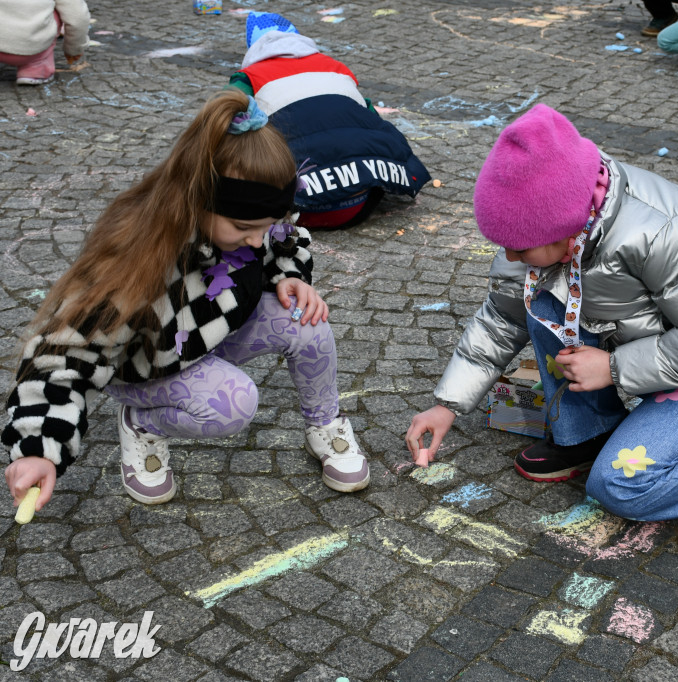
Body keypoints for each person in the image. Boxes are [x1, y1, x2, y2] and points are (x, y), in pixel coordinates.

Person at [405, 104, 678, 525]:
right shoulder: (548, 227)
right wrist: (447, 405)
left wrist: (614, 367)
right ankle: (588, 433)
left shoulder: (670, 234)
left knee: (620, 485)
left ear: (563, 226)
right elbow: (502, 318)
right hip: (658, 362)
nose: (508, 254)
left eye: (520, 245)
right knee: (538, 297)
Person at [3, 90, 369, 515]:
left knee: (309, 322)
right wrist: (37, 448)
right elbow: (62, 353)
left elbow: (282, 237)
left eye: (266, 224)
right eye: (244, 227)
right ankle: (141, 424)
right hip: (148, 365)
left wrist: (289, 275)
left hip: (210, 333)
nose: (257, 239)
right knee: (236, 403)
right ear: (199, 199)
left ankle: (325, 423)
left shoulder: (254, 214)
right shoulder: (134, 257)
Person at [227, 12, 430, 230]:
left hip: (297, 212)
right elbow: (370, 116)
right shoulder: (336, 66)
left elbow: (220, 120)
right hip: (359, 207)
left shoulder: (249, 76)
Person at [0, 0, 90, 85]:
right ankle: (36, 69)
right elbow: (78, 17)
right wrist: (74, 49)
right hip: (30, 48)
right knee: (59, 10)